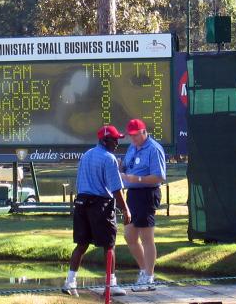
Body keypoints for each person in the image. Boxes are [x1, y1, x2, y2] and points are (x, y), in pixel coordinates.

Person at [62, 125, 131, 297]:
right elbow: (116, 189)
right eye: (114, 139)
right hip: (100, 204)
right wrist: (126, 209)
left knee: (82, 244)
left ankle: (69, 282)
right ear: (105, 140)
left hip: (81, 203)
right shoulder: (109, 158)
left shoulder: (86, 155)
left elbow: (80, 183)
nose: (117, 143)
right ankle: (111, 284)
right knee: (109, 245)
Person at [120, 119, 166, 291]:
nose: (133, 139)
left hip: (148, 193)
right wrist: (121, 170)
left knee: (147, 237)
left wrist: (137, 179)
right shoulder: (132, 147)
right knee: (129, 236)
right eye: (130, 136)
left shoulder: (154, 149)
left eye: (135, 135)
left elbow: (159, 177)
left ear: (144, 132)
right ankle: (144, 270)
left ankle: (149, 277)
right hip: (132, 194)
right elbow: (126, 166)